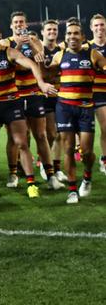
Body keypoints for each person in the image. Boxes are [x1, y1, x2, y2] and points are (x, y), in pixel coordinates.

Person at [0, 21, 56, 199]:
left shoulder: (10, 52)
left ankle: (31, 183)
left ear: (0, 35)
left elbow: (32, 65)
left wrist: (42, 84)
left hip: (12, 103)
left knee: (21, 143)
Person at [2, 12, 63, 191]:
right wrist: (19, 44)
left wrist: (33, 46)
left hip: (34, 93)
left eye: (22, 22)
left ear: (26, 24)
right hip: (14, 95)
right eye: (16, 22)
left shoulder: (34, 40)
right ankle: (13, 173)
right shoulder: (6, 43)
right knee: (16, 139)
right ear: (11, 26)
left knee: (41, 135)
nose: (19, 25)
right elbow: (8, 63)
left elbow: (40, 61)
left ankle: (50, 174)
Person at [46, 21, 106, 203]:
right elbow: (48, 75)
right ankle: (72, 189)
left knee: (87, 151)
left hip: (86, 107)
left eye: (76, 33)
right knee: (68, 148)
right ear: (65, 38)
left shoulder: (92, 54)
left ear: (82, 37)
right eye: (69, 34)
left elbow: (104, 65)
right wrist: (42, 66)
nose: (72, 36)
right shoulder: (59, 55)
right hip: (64, 107)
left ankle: (87, 177)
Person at [40, 19, 67, 182]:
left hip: (60, 95)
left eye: (54, 30)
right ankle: (45, 165)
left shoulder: (62, 50)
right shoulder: (38, 50)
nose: (52, 32)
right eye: (48, 29)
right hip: (44, 97)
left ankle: (55, 168)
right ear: (42, 32)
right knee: (50, 133)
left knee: (59, 134)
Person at [87, 13, 106, 175]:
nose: (100, 28)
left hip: (103, 93)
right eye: (97, 25)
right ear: (91, 28)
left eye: (102, 25)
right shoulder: (87, 47)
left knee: (105, 128)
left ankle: (104, 160)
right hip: (88, 93)